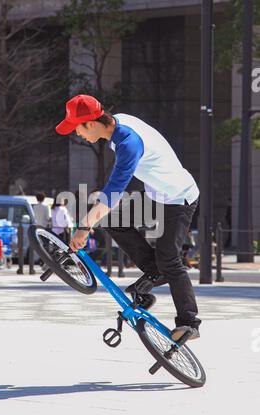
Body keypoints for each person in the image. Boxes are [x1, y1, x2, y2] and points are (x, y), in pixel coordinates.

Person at [55, 94, 201, 341]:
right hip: (156, 195)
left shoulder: (129, 143)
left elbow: (113, 191)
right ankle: (154, 272)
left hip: (179, 197)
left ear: (90, 123)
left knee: (170, 259)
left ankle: (189, 323)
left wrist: (84, 227)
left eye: (77, 129)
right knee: (112, 220)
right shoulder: (119, 124)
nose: (77, 135)